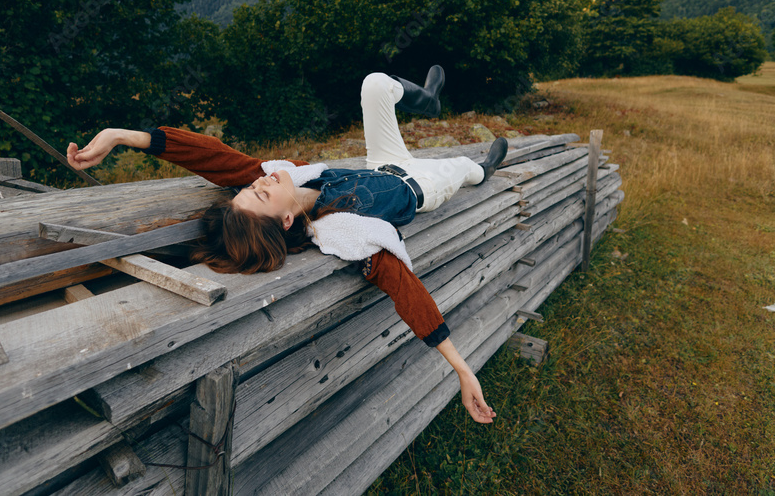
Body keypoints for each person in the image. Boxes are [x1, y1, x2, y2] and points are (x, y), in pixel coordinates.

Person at [67, 67, 508, 424]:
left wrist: (120, 135)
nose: (257, 180)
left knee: (374, 83)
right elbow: (403, 287)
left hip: (385, 162)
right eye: (258, 193)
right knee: (464, 168)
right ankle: (487, 167)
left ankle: (426, 99)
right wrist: (462, 368)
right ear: (284, 219)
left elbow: (213, 157)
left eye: (250, 186)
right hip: (421, 186)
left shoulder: (291, 178)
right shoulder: (342, 230)